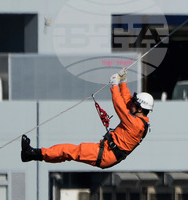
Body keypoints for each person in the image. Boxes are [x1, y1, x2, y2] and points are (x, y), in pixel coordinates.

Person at [20, 70, 152, 169]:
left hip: (106, 154)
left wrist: (114, 85)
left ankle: (32, 154)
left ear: (140, 109)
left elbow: (120, 106)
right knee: (69, 153)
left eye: (135, 104)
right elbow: (128, 101)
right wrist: (123, 83)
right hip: (106, 150)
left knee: (69, 150)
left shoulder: (135, 124)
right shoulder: (139, 119)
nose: (132, 105)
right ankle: (33, 154)